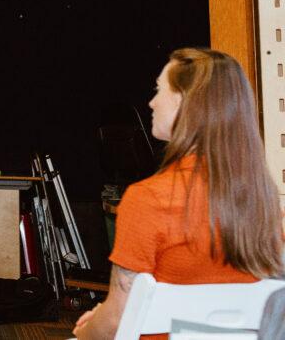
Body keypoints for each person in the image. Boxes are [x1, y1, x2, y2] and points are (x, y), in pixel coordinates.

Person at [74, 48, 284, 339]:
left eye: (160, 90)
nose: (151, 102)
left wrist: (86, 332)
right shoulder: (266, 202)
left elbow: (115, 321)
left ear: (185, 103)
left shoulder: (148, 199)